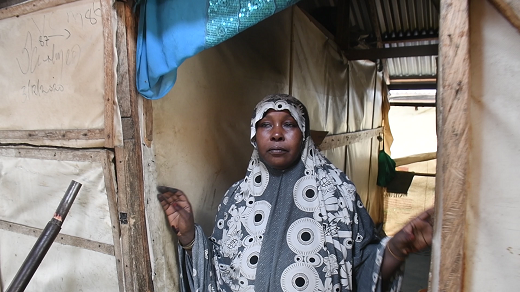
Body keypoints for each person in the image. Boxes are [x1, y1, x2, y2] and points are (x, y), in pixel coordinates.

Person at [157, 94, 434, 292]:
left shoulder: (338, 195)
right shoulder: (236, 198)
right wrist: (190, 236)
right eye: (266, 124)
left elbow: (362, 268)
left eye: (288, 124)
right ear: (255, 135)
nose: (277, 133)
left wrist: (397, 249)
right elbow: (217, 270)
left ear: (303, 133)